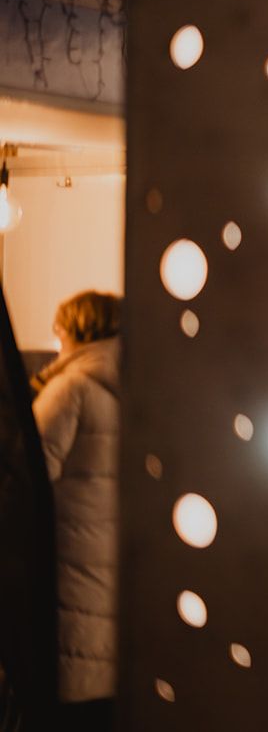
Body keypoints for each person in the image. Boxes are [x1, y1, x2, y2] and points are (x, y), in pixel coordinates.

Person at [32, 291, 121, 730]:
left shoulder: (71, 389)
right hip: (116, 573)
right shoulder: (140, 393)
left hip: (71, 568)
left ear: (72, 331)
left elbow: (27, 474)